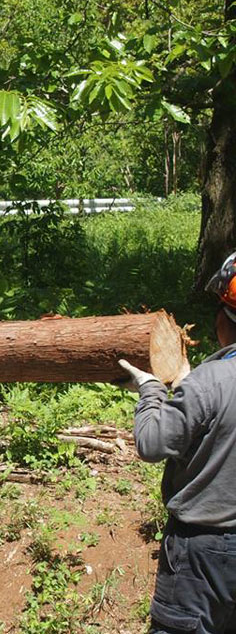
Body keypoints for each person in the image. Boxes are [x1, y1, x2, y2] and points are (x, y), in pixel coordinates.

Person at [117, 251, 236, 634]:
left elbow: (151, 444)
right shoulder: (207, 383)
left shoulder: (211, 382)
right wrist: (189, 383)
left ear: (225, 318)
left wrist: (150, 389)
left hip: (202, 552)